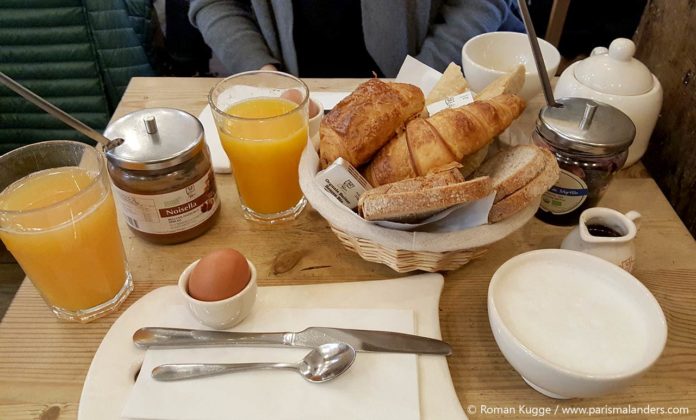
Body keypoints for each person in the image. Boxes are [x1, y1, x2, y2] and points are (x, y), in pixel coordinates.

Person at [189, 0, 524, 78]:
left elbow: (481, 3)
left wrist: (419, 79)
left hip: (434, 74)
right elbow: (214, 3)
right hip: (297, 90)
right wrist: (263, 73)